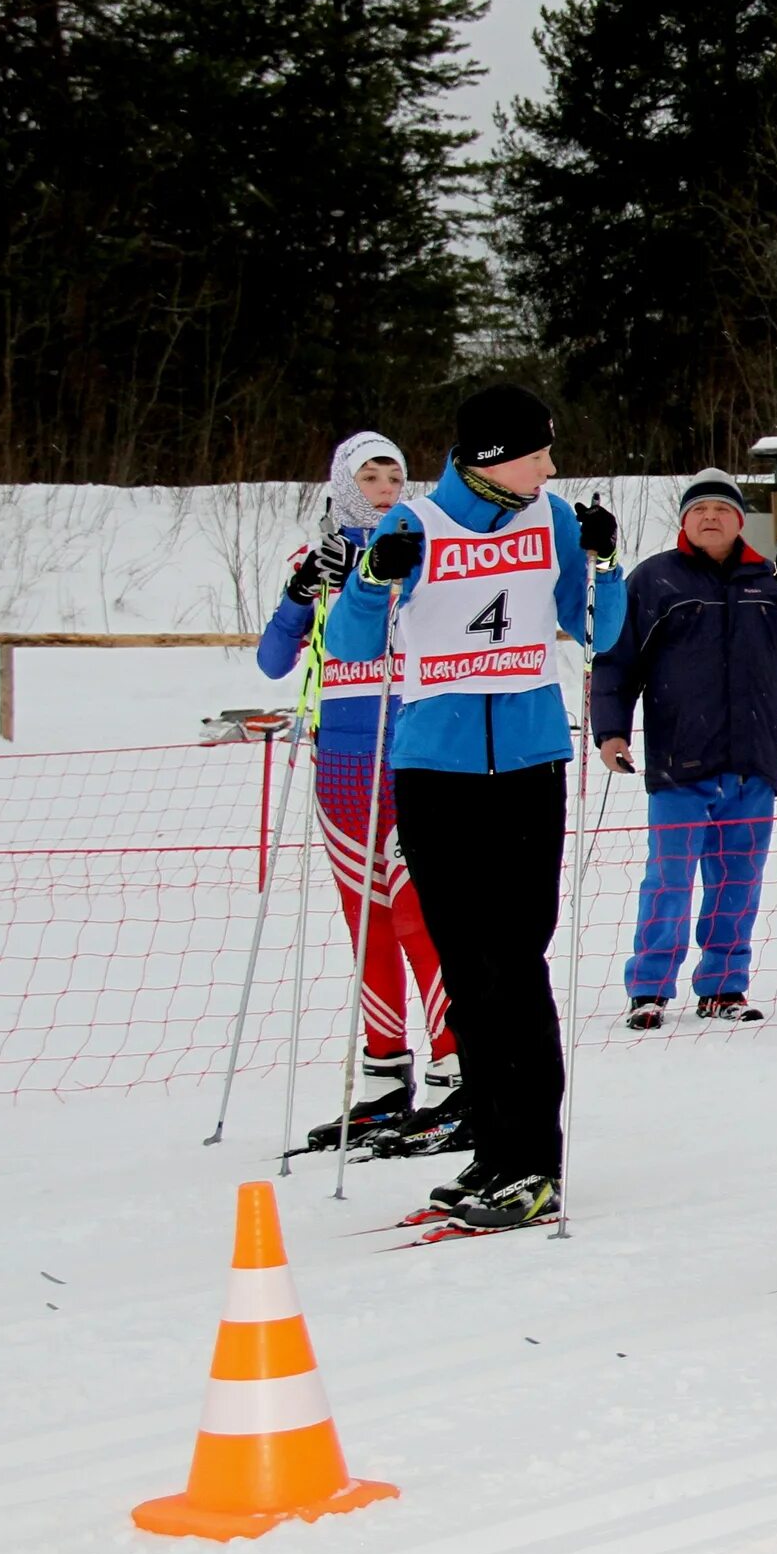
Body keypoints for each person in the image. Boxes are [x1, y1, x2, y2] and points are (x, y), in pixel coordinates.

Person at [326, 385, 627, 1230]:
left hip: (530, 761)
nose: (552, 466)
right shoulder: (415, 526)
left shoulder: (554, 518)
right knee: (466, 966)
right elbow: (350, 641)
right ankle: (493, 1149)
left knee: (515, 963)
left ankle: (533, 1158)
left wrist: (605, 564)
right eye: (539, 452)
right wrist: (367, 582)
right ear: (494, 457)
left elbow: (598, 629)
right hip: (434, 767)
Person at [257, 431, 461, 1149]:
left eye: (394, 476)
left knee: (419, 916)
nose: (383, 488)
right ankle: (383, 1074)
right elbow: (273, 662)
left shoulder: (424, 553)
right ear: (344, 482)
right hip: (341, 763)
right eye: (370, 475)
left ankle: (456, 1071)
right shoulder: (313, 561)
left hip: (406, 752)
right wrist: (298, 592)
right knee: (366, 921)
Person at [590, 468, 777, 1029]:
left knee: (738, 880)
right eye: (699, 510)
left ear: (740, 521)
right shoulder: (654, 582)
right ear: (684, 521)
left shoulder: (769, 584)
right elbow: (617, 663)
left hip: (751, 764)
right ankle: (649, 987)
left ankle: (723, 985)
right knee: (668, 879)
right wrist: (612, 732)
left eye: (722, 509)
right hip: (680, 764)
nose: (710, 518)